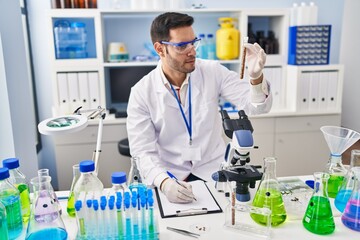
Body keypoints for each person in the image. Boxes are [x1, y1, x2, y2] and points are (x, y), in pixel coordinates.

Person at [126, 12, 272, 203]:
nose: (192, 51)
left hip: (214, 173)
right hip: (171, 177)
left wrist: (256, 77)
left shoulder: (212, 71)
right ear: (160, 49)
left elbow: (256, 107)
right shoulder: (141, 92)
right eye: (182, 46)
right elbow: (142, 151)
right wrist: (164, 182)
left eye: (194, 42)